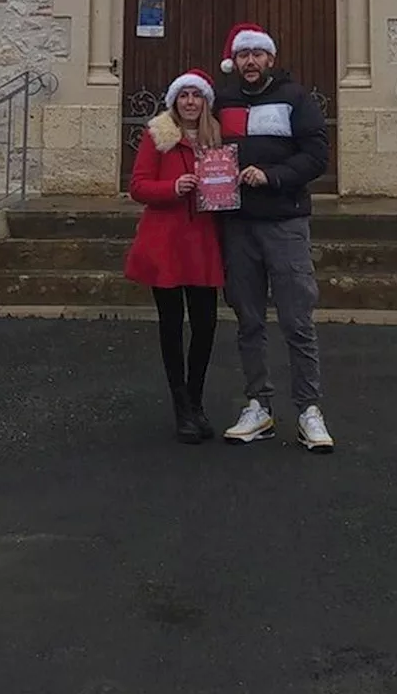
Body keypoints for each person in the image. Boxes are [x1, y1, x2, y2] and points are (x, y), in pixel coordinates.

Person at [214, 22, 334, 452]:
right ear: (235, 61)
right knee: (248, 321)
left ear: (270, 59)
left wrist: (274, 176)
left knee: (297, 320)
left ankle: (309, 410)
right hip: (238, 224)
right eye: (243, 55)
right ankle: (258, 406)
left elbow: (317, 155)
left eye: (257, 54)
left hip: (285, 223)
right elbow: (193, 137)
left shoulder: (296, 98)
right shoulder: (222, 101)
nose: (250, 62)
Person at [124, 71, 225, 444]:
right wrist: (172, 187)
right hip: (166, 241)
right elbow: (138, 186)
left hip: (202, 242)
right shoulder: (159, 136)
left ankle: (196, 400)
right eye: (183, 96)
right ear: (174, 101)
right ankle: (181, 406)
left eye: (197, 96)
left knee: (205, 324)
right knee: (171, 325)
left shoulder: (216, 140)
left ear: (205, 102)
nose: (190, 102)